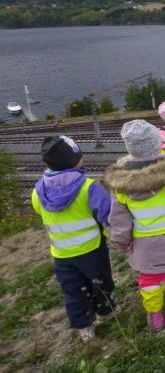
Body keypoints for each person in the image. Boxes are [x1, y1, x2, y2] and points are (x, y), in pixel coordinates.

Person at [105, 120, 165, 331]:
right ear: (157, 143)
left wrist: (123, 241)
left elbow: (119, 219)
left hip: (145, 245)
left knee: (149, 279)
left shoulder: (120, 184)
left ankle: (155, 315)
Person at [31, 136, 115, 343]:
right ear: (77, 160)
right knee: (100, 281)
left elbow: (39, 210)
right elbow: (107, 214)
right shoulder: (88, 187)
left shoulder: (38, 190)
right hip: (91, 250)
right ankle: (106, 310)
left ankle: (84, 326)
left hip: (61, 254)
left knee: (73, 291)